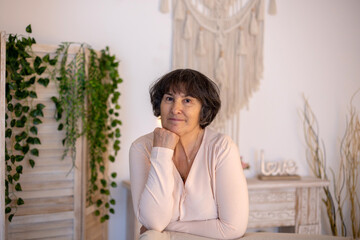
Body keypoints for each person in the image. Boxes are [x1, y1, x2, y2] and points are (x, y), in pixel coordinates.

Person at [129, 69, 249, 239]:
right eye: (169, 98)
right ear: (159, 104)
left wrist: (168, 227)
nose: (175, 109)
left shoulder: (221, 147)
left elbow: (232, 228)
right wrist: (161, 152)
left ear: (203, 109)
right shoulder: (141, 148)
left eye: (187, 100)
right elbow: (154, 222)